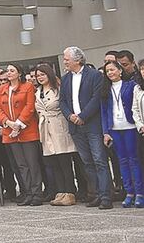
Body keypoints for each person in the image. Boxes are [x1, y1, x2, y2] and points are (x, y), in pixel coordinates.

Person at [59, 46, 112, 208]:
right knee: (87, 162)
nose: (64, 62)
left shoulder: (95, 75)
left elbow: (97, 99)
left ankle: (105, 197)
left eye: (67, 59)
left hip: (92, 125)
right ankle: (94, 194)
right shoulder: (66, 78)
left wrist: (82, 116)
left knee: (100, 161)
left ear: (78, 60)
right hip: (75, 127)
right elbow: (62, 101)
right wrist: (70, 116)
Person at [0, 63, 44, 206]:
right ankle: (27, 192)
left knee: (32, 163)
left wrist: (18, 123)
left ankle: (37, 194)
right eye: (8, 71)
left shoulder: (28, 87)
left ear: (19, 73)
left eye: (12, 71)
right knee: (21, 165)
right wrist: (8, 123)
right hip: (10, 131)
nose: (9, 73)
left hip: (27, 130)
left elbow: (30, 107)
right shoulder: (2, 89)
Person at [33, 63, 78, 207]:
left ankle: (70, 192)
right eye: (37, 75)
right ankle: (61, 192)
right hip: (45, 127)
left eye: (42, 74)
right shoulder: (38, 91)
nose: (40, 77)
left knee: (64, 160)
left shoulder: (58, 88)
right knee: (53, 163)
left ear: (49, 74)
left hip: (59, 125)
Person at [101, 59, 144, 208]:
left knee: (134, 160)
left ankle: (140, 193)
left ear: (120, 70)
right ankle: (129, 193)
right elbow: (104, 112)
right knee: (122, 161)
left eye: (112, 69)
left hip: (131, 127)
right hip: (115, 129)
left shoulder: (131, 85)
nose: (110, 73)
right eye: (107, 71)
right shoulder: (105, 90)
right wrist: (106, 132)